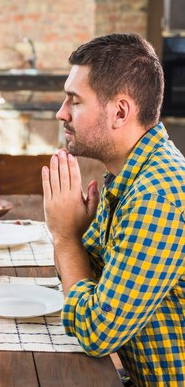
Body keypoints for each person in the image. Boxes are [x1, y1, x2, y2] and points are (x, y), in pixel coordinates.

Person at [42, 33, 184, 386]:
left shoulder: (155, 196)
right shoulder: (127, 174)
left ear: (120, 111)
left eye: (74, 101)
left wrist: (65, 235)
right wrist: (73, 241)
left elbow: (95, 332)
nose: (61, 113)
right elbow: (86, 281)